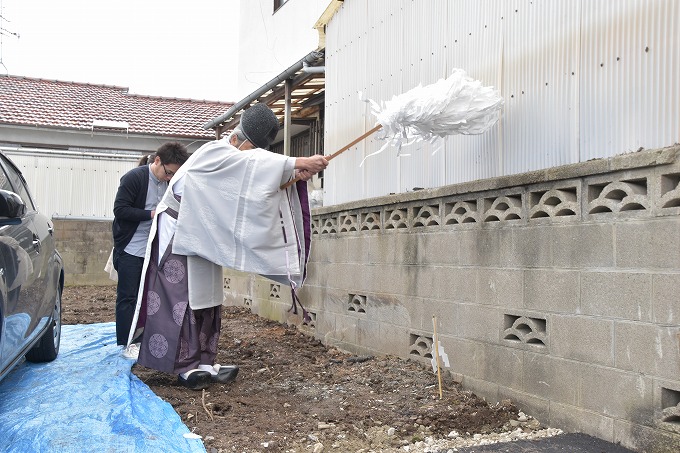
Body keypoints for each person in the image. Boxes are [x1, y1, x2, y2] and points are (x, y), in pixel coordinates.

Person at [128, 103, 328, 390]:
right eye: (250, 151)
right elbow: (249, 168)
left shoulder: (234, 159)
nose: (250, 159)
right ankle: (184, 365)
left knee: (207, 298)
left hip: (204, 233)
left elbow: (252, 184)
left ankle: (204, 360)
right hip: (178, 232)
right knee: (182, 297)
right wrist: (296, 163)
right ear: (235, 139)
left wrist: (293, 176)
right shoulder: (215, 152)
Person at [112, 142, 190, 354]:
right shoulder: (134, 178)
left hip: (155, 248)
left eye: (173, 175)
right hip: (130, 248)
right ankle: (124, 344)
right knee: (128, 297)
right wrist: (150, 214)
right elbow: (119, 209)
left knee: (149, 295)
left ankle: (142, 338)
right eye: (168, 172)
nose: (169, 177)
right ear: (157, 161)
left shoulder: (170, 184)